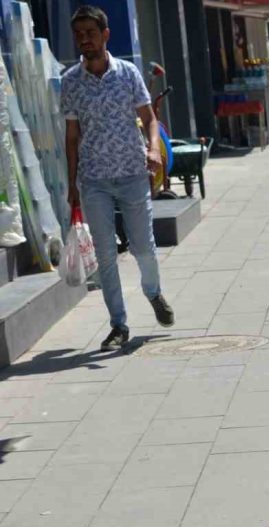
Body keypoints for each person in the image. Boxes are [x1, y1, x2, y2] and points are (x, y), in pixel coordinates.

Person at [61, 4, 174, 352]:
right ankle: (118, 324)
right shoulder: (70, 83)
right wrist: (72, 187)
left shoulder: (128, 74)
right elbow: (71, 137)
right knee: (106, 255)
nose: (84, 41)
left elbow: (149, 119)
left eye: (90, 34)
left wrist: (154, 150)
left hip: (132, 175)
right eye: (79, 35)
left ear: (105, 35)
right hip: (94, 180)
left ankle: (153, 293)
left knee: (143, 247)